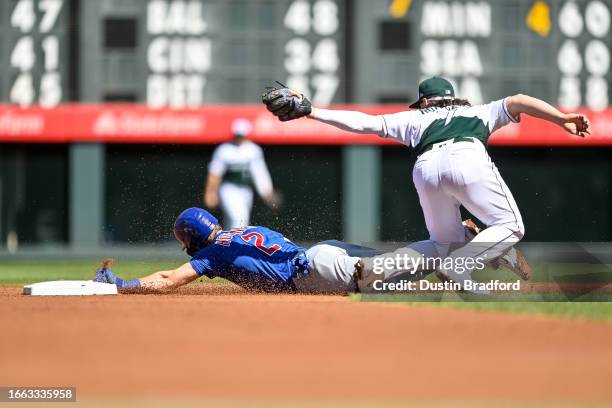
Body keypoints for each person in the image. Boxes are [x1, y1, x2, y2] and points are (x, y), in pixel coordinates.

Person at [262, 77, 591, 289]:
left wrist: (312, 110)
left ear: (424, 102)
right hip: (467, 155)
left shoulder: (413, 118)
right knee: (510, 224)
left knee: (443, 242)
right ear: (452, 100)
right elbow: (519, 99)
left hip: (426, 168)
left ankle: (398, 266)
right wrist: (562, 119)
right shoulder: (479, 111)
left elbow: (364, 123)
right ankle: (460, 267)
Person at [94, 207, 378, 294]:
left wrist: (122, 284)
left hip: (315, 272)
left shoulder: (212, 253)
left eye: (183, 241)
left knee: (396, 281)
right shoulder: (245, 231)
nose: (184, 247)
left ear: (191, 238)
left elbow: (169, 280)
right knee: (406, 262)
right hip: (325, 250)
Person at [204, 118, 280, 229]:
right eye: (238, 134)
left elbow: (260, 174)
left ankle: (226, 244)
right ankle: (237, 245)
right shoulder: (224, 150)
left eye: (242, 135)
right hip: (229, 189)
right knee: (239, 218)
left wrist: (267, 193)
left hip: (246, 190)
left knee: (233, 221)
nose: (239, 137)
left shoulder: (254, 150)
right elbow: (215, 173)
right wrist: (210, 192)